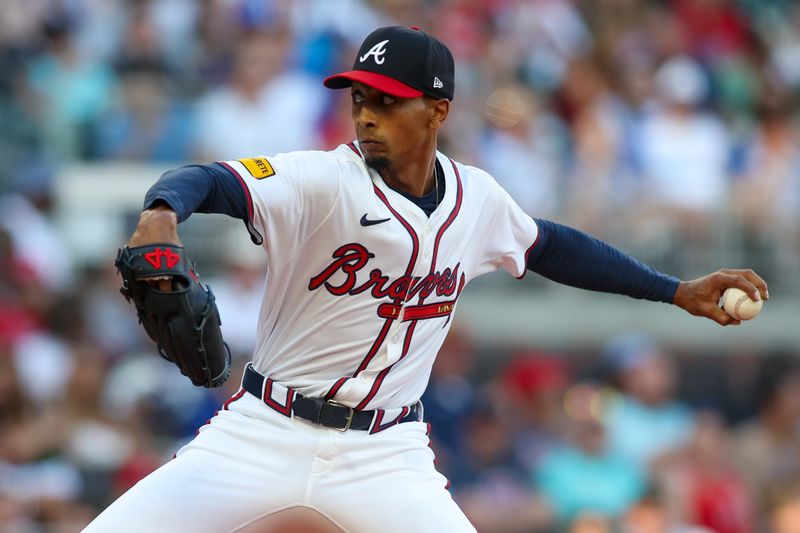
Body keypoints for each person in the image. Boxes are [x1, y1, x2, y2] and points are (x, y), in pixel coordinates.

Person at [84, 26, 768, 533]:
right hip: (264, 429)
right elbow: (210, 179)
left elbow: (557, 246)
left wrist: (676, 289)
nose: (366, 114)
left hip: (386, 452)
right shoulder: (323, 179)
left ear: (437, 111)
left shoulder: (478, 199)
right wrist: (161, 214)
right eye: (360, 97)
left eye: (388, 101)